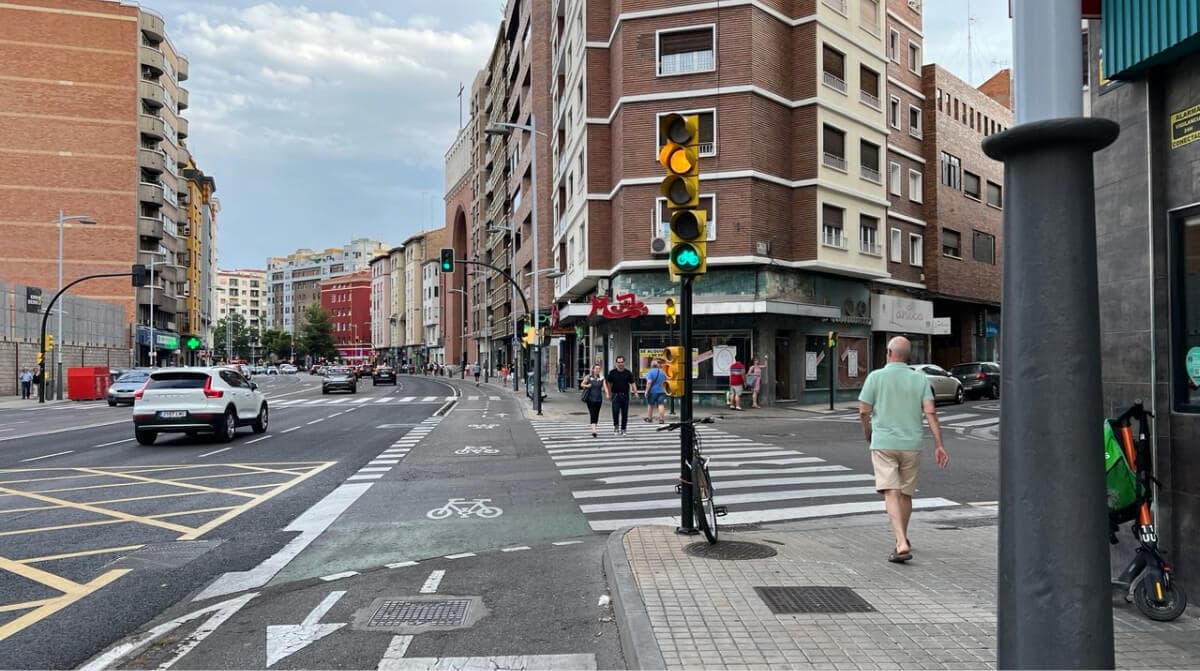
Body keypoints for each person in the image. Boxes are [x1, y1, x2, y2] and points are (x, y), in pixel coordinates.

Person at [858, 336, 950, 563]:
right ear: (908, 356)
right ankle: (904, 537)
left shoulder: (875, 377)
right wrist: (939, 444)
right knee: (906, 494)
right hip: (911, 444)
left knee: (891, 491)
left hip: (884, 443)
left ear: (888, 353)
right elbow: (931, 412)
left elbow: (863, 411)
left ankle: (900, 542)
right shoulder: (919, 379)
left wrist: (868, 432)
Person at [604, 356, 639, 435]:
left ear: (624, 363)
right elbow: (609, 383)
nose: (620, 364)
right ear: (616, 363)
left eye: (621, 362)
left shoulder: (628, 373)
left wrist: (635, 392)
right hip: (615, 395)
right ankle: (616, 427)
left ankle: (623, 428)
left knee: (624, 413)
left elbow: (632, 383)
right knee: (615, 412)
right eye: (618, 362)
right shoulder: (612, 373)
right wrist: (609, 393)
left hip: (625, 395)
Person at [581, 364, 605, 437]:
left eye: (599, 369)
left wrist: (607, 393)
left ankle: (594, 427)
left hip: (599, 399)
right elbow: (582, 384)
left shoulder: (601, 378)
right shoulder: (588, 377)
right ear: (593, 369)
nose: (597, 370)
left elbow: (605, 387)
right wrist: (587, 385)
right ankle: (594, 431)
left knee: (596, 414)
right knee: (593, 413)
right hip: (590, 399)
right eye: (596, 369)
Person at [642, 359, 668, 424]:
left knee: (650, 405)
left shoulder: (650, 372)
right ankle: (661, 419)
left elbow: (649, 382)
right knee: (661, 405)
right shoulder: (662, 372)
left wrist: (646, 391)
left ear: (651, 365)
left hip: (652, 391)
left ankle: (649, 418)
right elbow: (666, 379)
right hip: (662, 391)